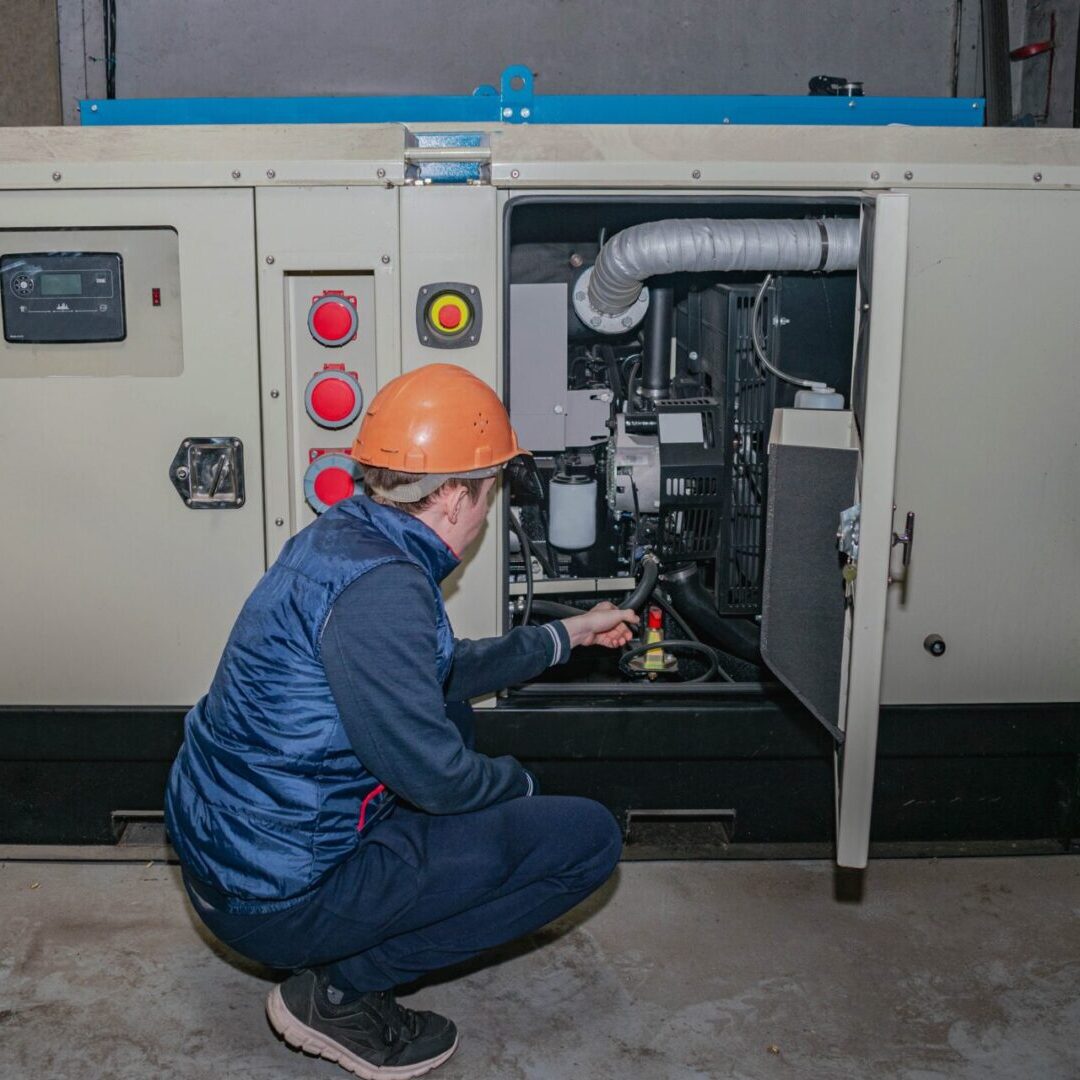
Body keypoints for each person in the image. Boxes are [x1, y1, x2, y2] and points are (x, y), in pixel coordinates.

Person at [164, 362, 639, 1080]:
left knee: (450, 721)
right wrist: (524, 790)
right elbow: (439, 779)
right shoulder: (384, 589)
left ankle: (354, 933)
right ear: (452, 497)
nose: (486, 515)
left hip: (238, 853)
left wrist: (565, 636)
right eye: (488, 494)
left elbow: (435, 666)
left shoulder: (346, 539)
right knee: (586, 841)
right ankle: (342, 991)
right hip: (272, 897)